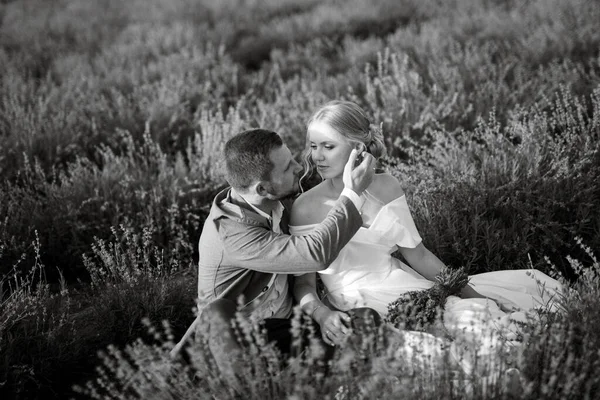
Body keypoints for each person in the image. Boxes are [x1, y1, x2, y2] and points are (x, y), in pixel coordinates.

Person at [289, 100, 562, 378]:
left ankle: (511, 372)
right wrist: (322, 315)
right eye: (313, 146)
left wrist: (474, 296)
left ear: (357, 146)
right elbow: (304, 283)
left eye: (328, 146)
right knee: (426, 351)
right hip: (358, 304)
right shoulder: (304, 207)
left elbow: (417, 255)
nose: (318, 156)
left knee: (472, 318)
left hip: (406, 287)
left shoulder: (386, 186)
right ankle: (489, 379)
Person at [170, 128, 381, 379]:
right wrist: (352, 193)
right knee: (217, 312)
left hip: (283, 331)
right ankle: (251, 392)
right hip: (233, 346)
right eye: (287, 167)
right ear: (262, 189)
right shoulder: (231, 232)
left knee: (364, 320)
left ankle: (303, 386)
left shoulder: (281, 201)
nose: (299, 167)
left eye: (292, 158)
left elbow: (302, 280)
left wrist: (321, 314)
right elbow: (315, 253)